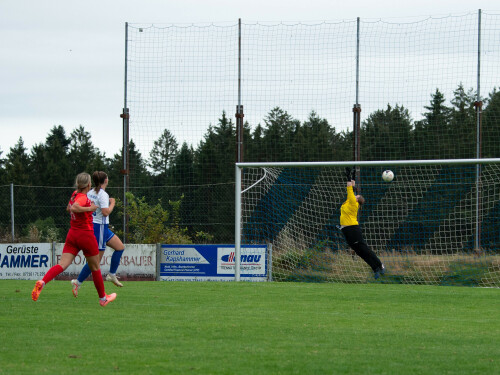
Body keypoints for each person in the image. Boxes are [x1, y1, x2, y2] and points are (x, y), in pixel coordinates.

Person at [31, 172, 117, 306]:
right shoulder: (82, 197)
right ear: (88, 184)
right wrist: (90, 208)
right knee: (95, 267)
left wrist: (81, 209)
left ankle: (42, 282)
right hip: (86, 235)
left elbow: (69, 208)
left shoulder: (74, 194)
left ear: (78, 184)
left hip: (72, 234)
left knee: (62, 265)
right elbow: (76, 207)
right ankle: (103, 299)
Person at [71, 171, 125, 297]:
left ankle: (111, 275)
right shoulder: (103, 195)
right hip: (99, 227)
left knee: (120, 247)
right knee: (95, 261)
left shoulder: (90, 192)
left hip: (99, 226)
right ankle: (77, 282)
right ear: (105, 180)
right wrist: (112, 203)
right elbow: (106, 212)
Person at [340, 167, 385, 279]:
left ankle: (380, 265)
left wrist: (348, 177)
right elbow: (353, 189)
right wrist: (353, 176)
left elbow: (350, 188)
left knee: (364, 249)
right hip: (347, 229)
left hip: (352, 229)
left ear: (357, 200)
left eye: (357, 196)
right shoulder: (350, 201)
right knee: (360, 252)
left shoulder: (352, 203)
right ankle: (375, 269)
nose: (356, 194)